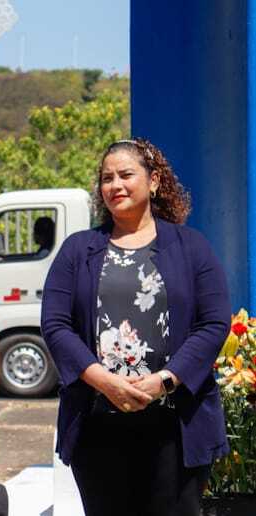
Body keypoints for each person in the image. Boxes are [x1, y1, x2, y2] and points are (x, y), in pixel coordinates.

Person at [40, 138, 231, 516]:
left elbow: (213, 322)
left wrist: (165, 380)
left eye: (126, 175)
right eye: (106, 178)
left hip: (176, 425)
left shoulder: (192, 247)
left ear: (154, 181)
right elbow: (56, 324)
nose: (115, 185)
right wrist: (103, 381)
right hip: (98, 424)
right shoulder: (78, 250)